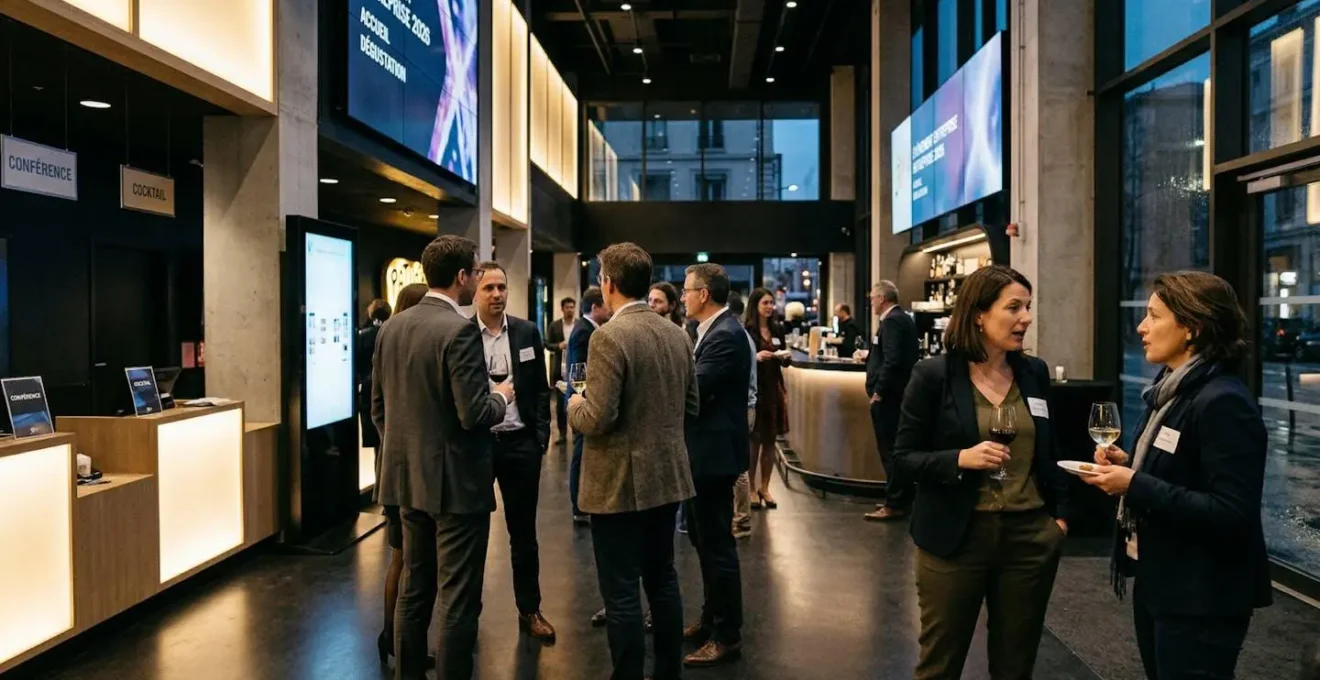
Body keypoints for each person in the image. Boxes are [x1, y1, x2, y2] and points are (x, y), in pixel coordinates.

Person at [1082, 271, 1272, 680]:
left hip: (1202, 595)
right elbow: (1183, 472)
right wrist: (1130, 463)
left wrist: (1134, 483)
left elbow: (1231, 511)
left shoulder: (1223, 402)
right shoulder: (1172, 389)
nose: (1141, 327)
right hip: (1163, 578)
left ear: (1192, 328)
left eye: (1153, 316)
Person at [893, 265, 1072, 680]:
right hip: (956, 537)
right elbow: (902, 460)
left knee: (1016, 664)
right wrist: (959, 458)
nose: (1026, 317)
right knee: (940, 662)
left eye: (1028, 307)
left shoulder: (1034, 373)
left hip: (1029, 538)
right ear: (978, 314)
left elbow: (1052, 450)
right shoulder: (933, 375)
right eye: (1013, 307)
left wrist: (1059, 518)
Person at [372, 235, 514, 680]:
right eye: (475, 273)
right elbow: (473, 414)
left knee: (416, 591)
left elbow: (379, 407)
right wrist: (500, 396)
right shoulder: (459, 331)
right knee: (457, 598)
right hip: (455, 486)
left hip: (406, 480)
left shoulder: (392, 327)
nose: (478, 280)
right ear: (461, 277)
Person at [568, 242, 697, 680]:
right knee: (662, 580)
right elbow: (691, 406)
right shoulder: (678, 334)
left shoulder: (608, 337)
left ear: (609, 283)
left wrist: (572, 403)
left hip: (618, 484)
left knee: (621, 592)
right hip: (668, 477)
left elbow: (598, 418)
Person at [471, 262, 556, 643]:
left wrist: (540, 437)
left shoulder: (526, 331)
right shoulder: (462, 336)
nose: (497, 294)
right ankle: (467, 617)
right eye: (489, 287)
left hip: (521, 443)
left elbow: (540, 387)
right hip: (478, 444)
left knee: (523, 533)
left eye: (502, 287)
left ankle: (530, 609)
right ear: (475, 291)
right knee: (472, 533)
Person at [680, 263, 751, 667]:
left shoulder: (725, 335)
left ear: (704, 294)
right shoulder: (709, 331)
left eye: (688, 290)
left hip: (713, 457)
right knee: (704, 544)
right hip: (701, 454)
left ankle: (727, 635)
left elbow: (696, 390)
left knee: (718, 548)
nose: (684, 296)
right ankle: (710, 619)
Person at [368, 285, 428, 669]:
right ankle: (403, 643)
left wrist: (392, 445)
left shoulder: (386, 344)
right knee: (412, 561)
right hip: (413, 474)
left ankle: (392, 638)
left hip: (393, 470)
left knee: (399, 556)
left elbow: (376, 409)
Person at [856, 281, 919, 521]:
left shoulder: (892, 321)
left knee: (890, 450)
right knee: (894, 449)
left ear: (882, 298)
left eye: (872, 298)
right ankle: (897, 498)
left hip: (890, 397)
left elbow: (892, 360)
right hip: (897, 394)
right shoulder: (901, 319)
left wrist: (878, 391)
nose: (871, 302)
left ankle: (894, 503)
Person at [568, 286, 611, 525]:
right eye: (605, 304)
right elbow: (580, 371)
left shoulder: (589, 329)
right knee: (580, 456)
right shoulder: (585, 331)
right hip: (583, 404)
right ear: (595, 307)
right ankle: (579, 507)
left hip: (585, 402)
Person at [744, 288, 790, 510]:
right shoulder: (748, 331)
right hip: (755, 391)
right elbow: (741, 359)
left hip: (774, 389)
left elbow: (783, 358)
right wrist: (755, 357)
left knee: (771, 441)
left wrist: (785, 358)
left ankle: (765, 487)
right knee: (754, 441)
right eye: (766, 303)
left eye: (772, 303)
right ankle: (751, 488)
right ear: (756, 306)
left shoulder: (777, 328)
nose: (770, 307)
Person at [728, 292, 757, 540]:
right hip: (744, 406)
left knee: (738, 468)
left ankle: (742, 520)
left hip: (742, 407)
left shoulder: (737, 337)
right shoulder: (740, 336)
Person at [358, 299, 392, 451]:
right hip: (388, 385)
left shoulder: (363, 335)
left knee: (376, 444)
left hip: (368, 387)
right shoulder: (391, 334)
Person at [544, 297, 577, 444]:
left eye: (572, 307)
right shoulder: (554, 325)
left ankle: (577, 432)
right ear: (562, 309)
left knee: (576, 401)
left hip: (576, 368)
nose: (570, 310)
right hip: (560, 369)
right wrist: (559, 346)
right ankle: (562, 433)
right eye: (567, 307)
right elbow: (547, 343)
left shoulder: (579, 325)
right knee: (560, 404)